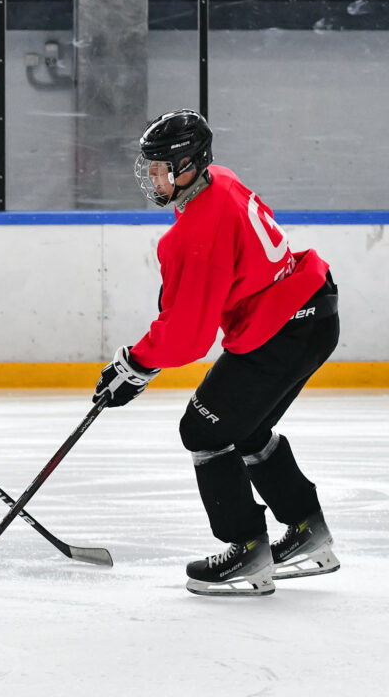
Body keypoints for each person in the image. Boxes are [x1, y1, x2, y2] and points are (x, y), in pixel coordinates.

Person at [93, 109, 340, 596]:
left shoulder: (193, 234)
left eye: (164, 168)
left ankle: (246, 549)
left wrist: (135, 363)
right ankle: (306, 530)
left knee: (202, 429)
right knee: (245, 429)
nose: (155, 177)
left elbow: (187, 336)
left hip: (283, 331)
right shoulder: (219, 180)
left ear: (190, 165)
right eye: (152, 168)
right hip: (314, 316)